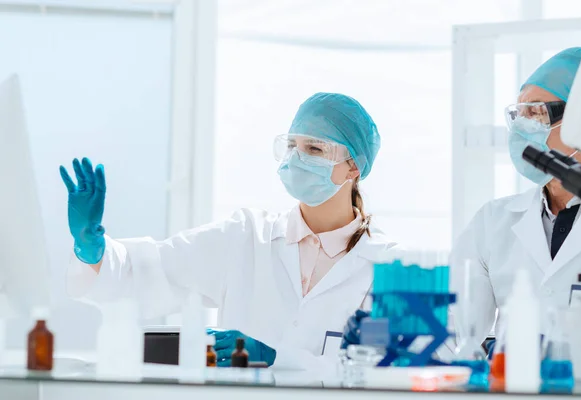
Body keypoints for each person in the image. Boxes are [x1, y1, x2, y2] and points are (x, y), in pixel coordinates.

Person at [61, 92, 396, 371]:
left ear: (354, 166)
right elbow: (155, 268)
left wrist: (279, 359)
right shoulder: (246, 237)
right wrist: (92, 247)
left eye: (315, 149)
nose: (296, 159)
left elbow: (382, 372)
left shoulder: (385, 266)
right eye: (292, 146)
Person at [450, 47, 581, 351]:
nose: (522, 126)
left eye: (536, 112)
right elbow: (456, 334)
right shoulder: (493, 221)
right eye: (518, 114)